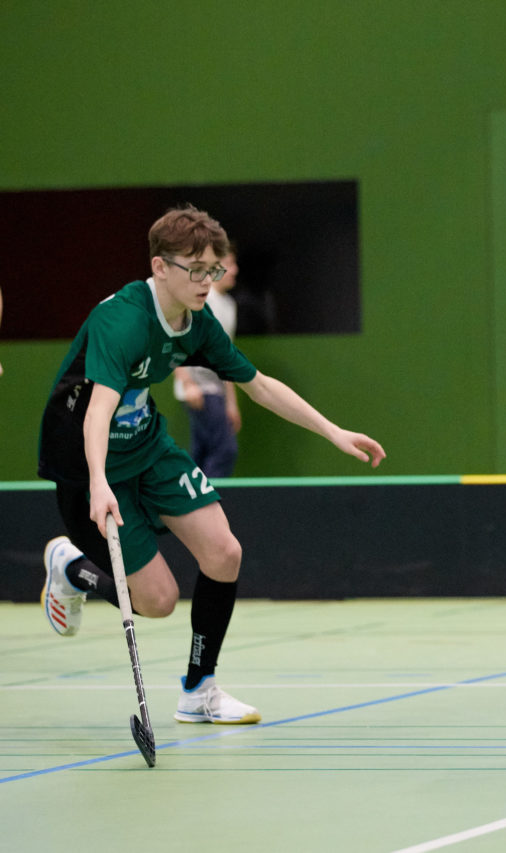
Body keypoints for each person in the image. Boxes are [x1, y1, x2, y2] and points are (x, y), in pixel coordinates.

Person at [38, 205, 385, 725]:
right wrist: (97, 482)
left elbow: (259, 384)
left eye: (213, 269)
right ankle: (70, 568)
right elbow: (98, 410)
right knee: (157, 601)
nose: (207, 280)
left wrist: (333, 430)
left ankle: (199, 691)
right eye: (195, 270)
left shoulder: (197, 324)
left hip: (147, 444)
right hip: (85, 456)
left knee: (224, 552)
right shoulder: (123, 321)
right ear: (160, 268)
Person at [173, 243, 241, 477]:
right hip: (198, 389)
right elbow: (177, 340)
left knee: (202, 452)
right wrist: (187, 383)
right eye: (229, 264)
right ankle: (207, 507)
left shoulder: (230, 307)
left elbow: (226, 357)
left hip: (216, 390)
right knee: (225, 449)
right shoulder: (200, 299)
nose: (234, 270)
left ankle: (188, 506)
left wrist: (231, 403)